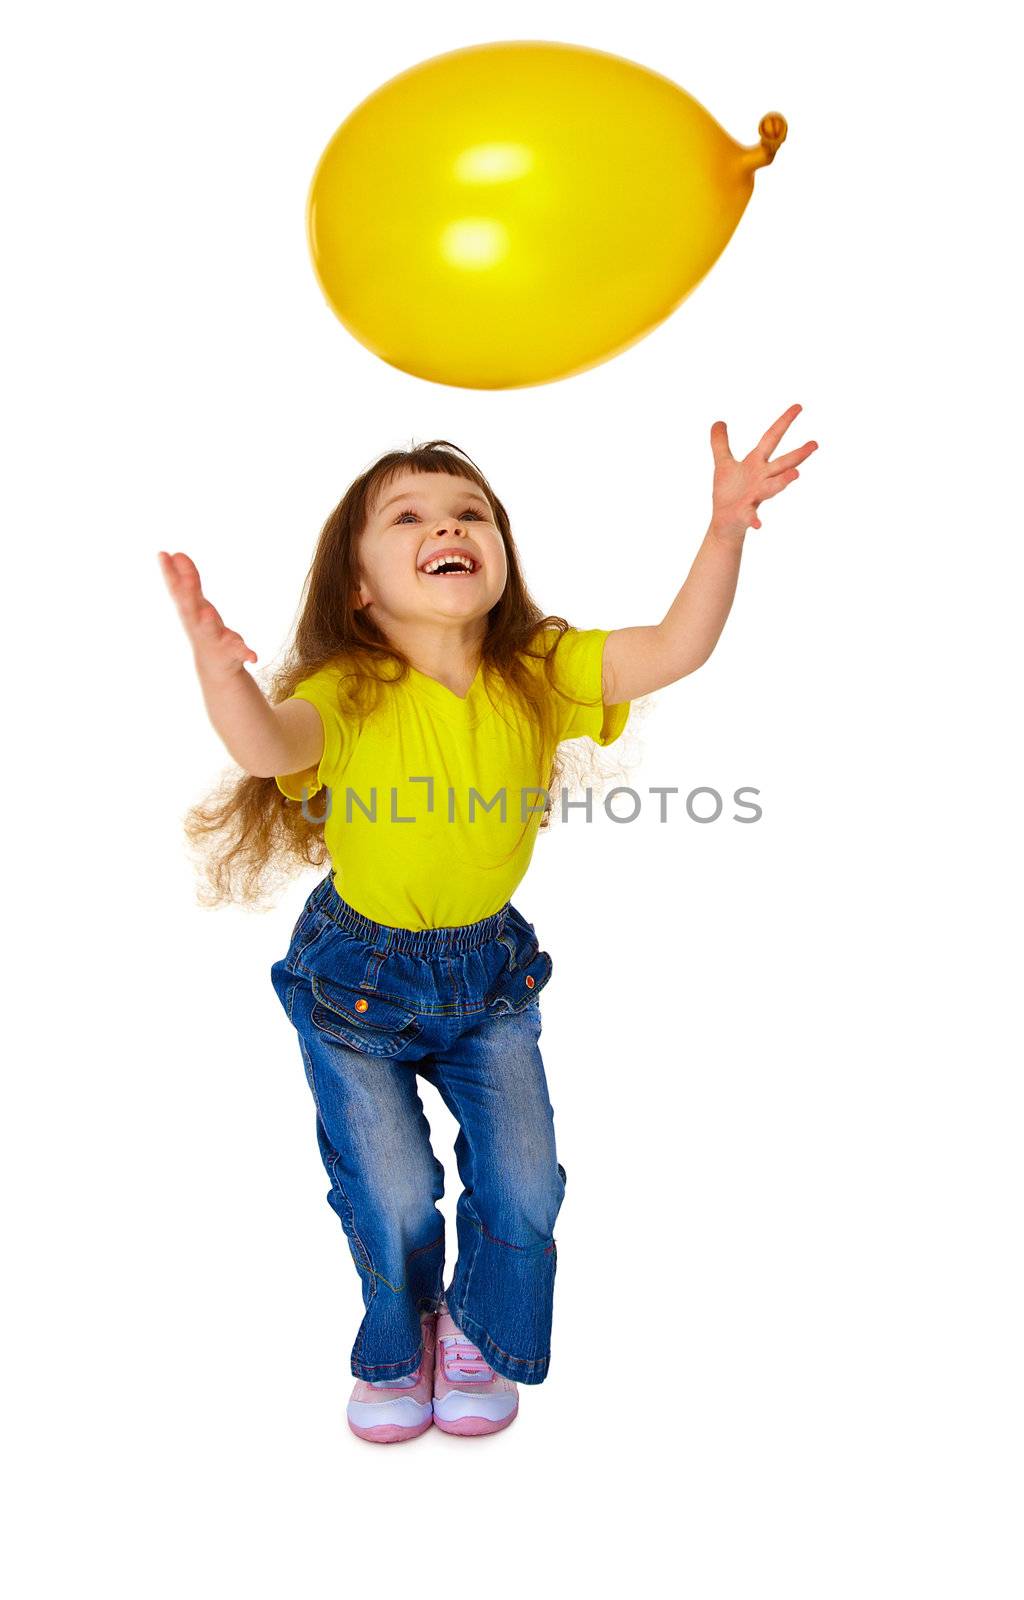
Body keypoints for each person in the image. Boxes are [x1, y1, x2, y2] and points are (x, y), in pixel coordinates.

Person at [158, 409, 817, 1445]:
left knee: (524, 1177)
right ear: (360, 586)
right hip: (356, 981)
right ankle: (400, 1330)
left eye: (470, 511)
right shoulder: (349, 692)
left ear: (499, 554)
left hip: (488, 973)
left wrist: (725, 526)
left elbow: (675, 648)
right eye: (409, 515)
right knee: (395, 1188)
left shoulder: (540, 670)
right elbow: (264, 738)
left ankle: (477, 1327)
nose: (447, 523)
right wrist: (218, 671)